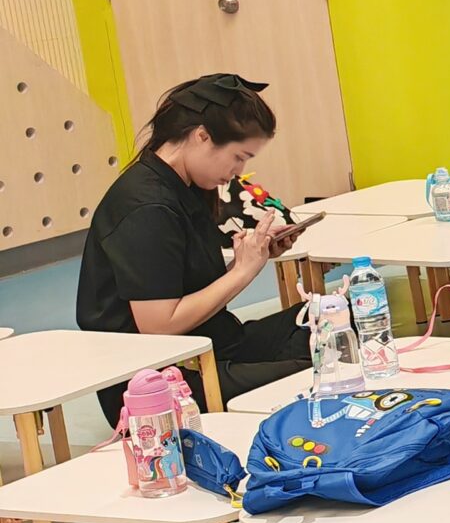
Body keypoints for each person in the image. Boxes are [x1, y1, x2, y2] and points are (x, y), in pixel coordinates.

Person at [79, 74, 318, 419]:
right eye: (238, 157)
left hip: (210, 347)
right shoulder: (146, 206)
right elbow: (160, 325)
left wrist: (252, 256)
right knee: (316, 369)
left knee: (331, 320)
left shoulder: (185, 186)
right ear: (201, 136)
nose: (239, 171)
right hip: (161, 383)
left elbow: (185, 286)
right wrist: (242, 273)